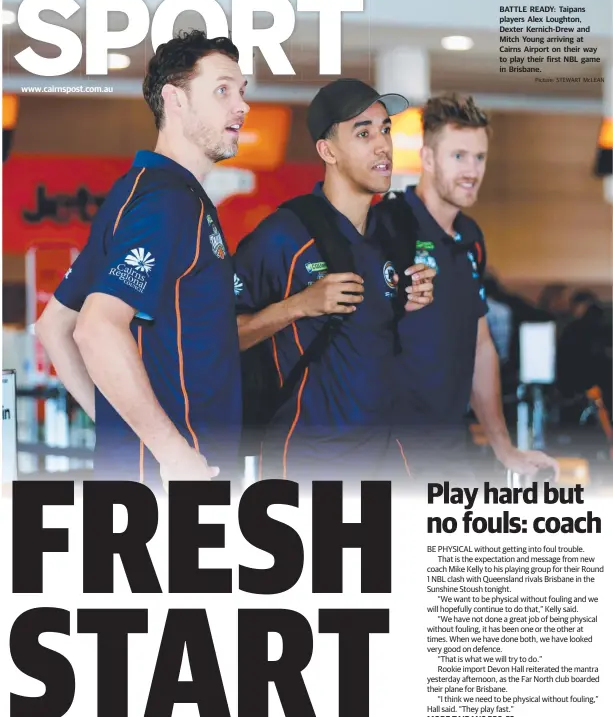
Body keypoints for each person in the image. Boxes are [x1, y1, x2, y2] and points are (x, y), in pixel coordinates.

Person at [35, 30, 250, 488]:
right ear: (175, 100)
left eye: (241, 91)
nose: (242, 105)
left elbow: (55, 326)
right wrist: (170, 452)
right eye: (222, 90)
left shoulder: (152, 192)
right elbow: (94, 328)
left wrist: (123, 428)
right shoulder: (163, 201)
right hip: (177, 480)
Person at [233, 78, 436, 480]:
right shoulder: (283, 235)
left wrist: (410, 298)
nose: (383, 145)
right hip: (306, 465)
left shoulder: (391, 235)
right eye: (363, 133)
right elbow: (217, 335)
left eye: (385, 130)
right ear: (327, 150)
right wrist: (299, 305)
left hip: (387, 464)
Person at [376, 93, 558, 480]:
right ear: (427, 158)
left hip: (450, 445)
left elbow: (480, 344)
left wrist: (503, 447)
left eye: (479, 157)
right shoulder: (387, 226)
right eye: (458, 156)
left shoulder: (470, 238)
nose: (472, 170)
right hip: (388, 449)